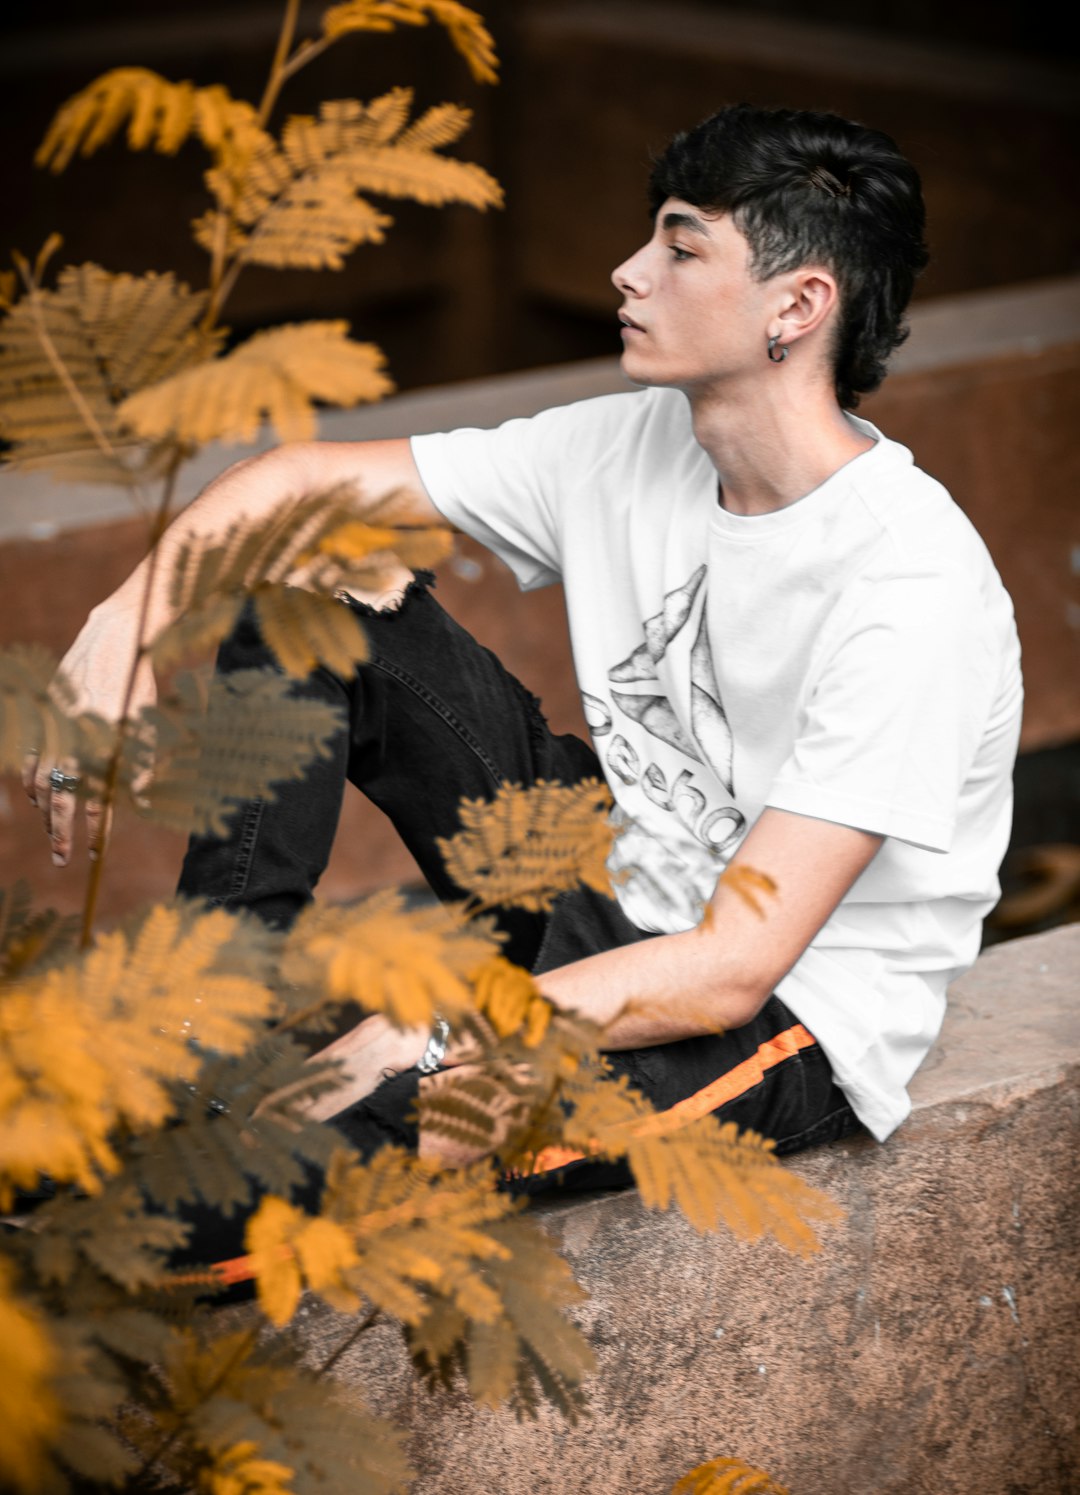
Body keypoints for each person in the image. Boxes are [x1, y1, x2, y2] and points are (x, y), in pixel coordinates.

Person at [25, 104, 1023, 1186]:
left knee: (354, 1150)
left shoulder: (908, 580)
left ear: (798, 304)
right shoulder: (626, 444)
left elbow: (734, 968)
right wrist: (122, 624)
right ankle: (197, 1023)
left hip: (783, 1014)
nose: (628, 271)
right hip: (601, 872)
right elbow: (299, 484)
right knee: (305, 587)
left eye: (681, 248)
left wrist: (448, 1028)